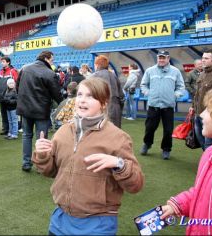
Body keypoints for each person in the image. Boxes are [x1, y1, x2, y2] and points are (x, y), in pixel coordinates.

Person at [33, 77, 144, 235]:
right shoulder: (63, 131)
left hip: (98, 224)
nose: (82, 100)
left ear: (104, 103)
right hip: (60, 219)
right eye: (80, 94)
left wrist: (119, 164)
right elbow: (50, 172)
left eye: (90, 96)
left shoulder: (118, 138)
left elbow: (136, 185)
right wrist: (43, 155)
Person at [160, 85, 212, 235]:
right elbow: (204, 192)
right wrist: (178, 205)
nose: (201, 115)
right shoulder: (210, 153)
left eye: (208, 110)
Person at [16, 50, 63, 172]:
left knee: (27, 136)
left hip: (26, 108)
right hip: (41, 110)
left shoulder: (25, 68)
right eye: (52, 60)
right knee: (41, 138)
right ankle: (40, 165)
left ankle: (26, 163)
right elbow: (57, 94)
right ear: (46, 58)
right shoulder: (49, 73)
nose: (52, 62)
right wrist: (64, 104)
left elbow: (17, 86)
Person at [140, 50, 185, 160]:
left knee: (168, 130)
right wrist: (148, 93)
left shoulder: (175, 71)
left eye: (163, 58)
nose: (161, 60)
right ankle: (147, 144)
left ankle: (166, 149)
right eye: (159, 57)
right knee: (149, 128)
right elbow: (143, 85)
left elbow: (181, 87)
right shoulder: (150, 71)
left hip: (168, 106)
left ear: (168, 58)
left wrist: (175, 95)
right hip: (153, 105)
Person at [91, 55, 125, 128]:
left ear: (97, 65)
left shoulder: (94, 76)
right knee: (115, 133)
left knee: (101, 134)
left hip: (101, 109)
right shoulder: (114, 76)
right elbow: (122, 96)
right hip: (115, 108)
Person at [0, 56, 19, 135]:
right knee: (3, 114)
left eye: (3, 61)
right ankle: (6, 129)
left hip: (10, 97)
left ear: (8, 62)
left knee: (12, 115)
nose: (2, 63)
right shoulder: (0, 72)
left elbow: (17, 83)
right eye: (1, 62)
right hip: (2, 97)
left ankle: (14, 130)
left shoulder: (13, 71)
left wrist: (14, 95)